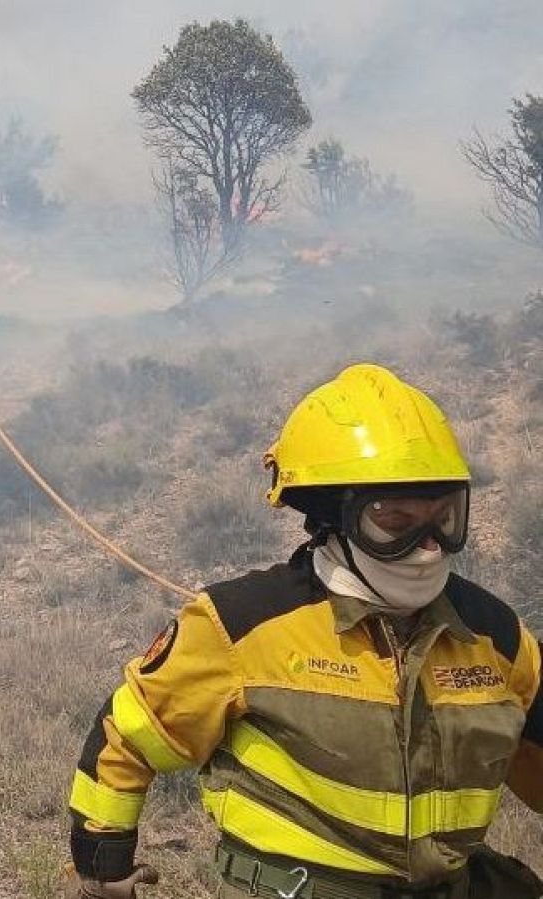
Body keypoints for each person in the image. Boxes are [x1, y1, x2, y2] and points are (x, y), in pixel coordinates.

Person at [64, 364, 543, 899]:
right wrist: (104, 870)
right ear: (333, 517)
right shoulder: (242, 625)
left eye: (444, 518)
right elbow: (127, 738)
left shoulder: (495, 635)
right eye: (396, 522)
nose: (428, 545)